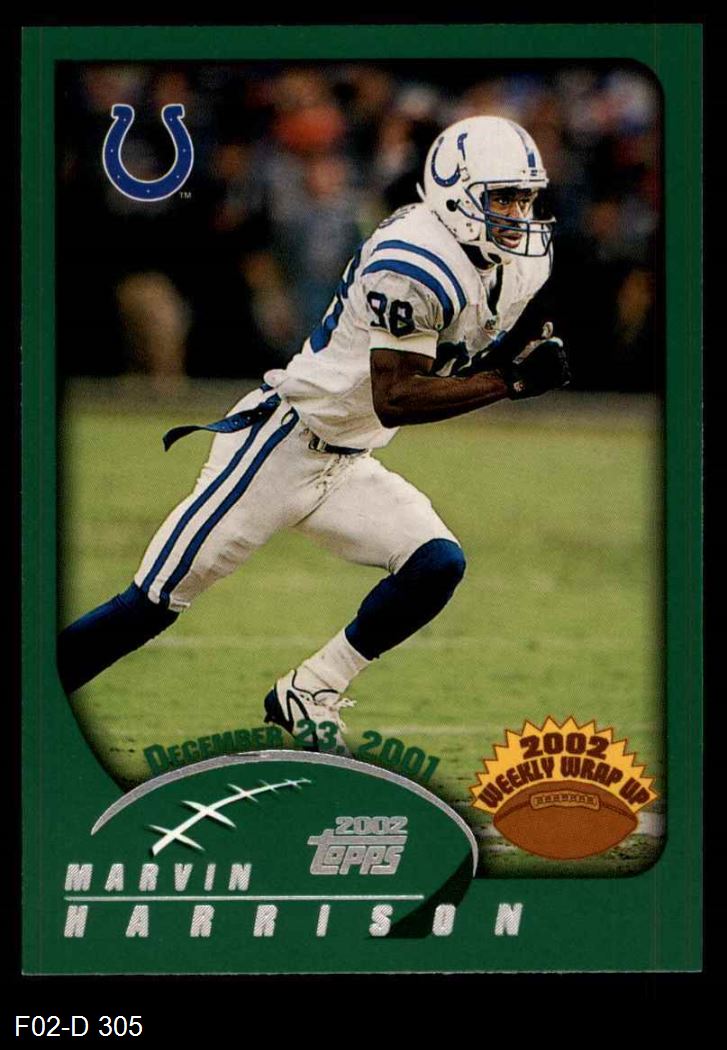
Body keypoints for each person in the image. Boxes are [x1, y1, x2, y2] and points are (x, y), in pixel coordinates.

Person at [58, 115, 571, 756]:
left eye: (525, 198)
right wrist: (509, 382)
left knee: (436, 564)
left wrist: (514, 365)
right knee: (152, 602)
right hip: (280, 446)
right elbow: (395, 397)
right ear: (454, 192)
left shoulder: (520, 263)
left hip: (347, 462)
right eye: (503, 198)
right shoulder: (414, 261)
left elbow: (458, 349)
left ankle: (311, 688)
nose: (519, 214)